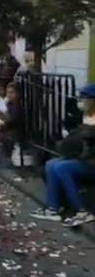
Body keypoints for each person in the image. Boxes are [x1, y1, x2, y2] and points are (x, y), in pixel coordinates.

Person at [31, 84, 95, 227]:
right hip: (83, 158)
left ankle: (82, 211)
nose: (81, 101)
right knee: (51, 164)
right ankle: (53, 208)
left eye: (84, 98)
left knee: (62, 167)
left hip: (91, 163)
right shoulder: (86, 116)